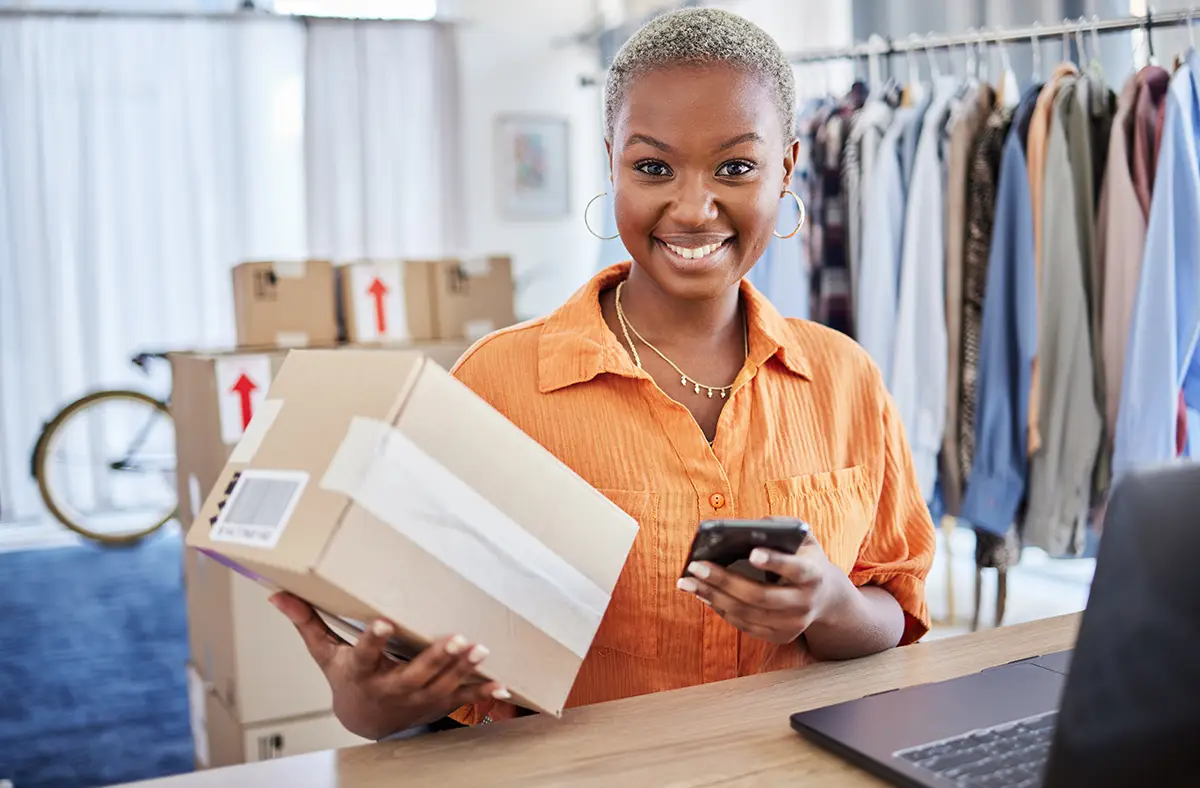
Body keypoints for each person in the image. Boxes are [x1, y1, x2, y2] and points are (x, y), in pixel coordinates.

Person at [270, 7, 936, 741]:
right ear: (611, 159)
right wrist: (373, 701)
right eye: (653, 167)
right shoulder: (498, 386)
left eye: (736, 167)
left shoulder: (847, 379)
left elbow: (893, 612)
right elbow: (418, 684)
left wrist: (828, 605)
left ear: (786, 169)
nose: (692, 207)